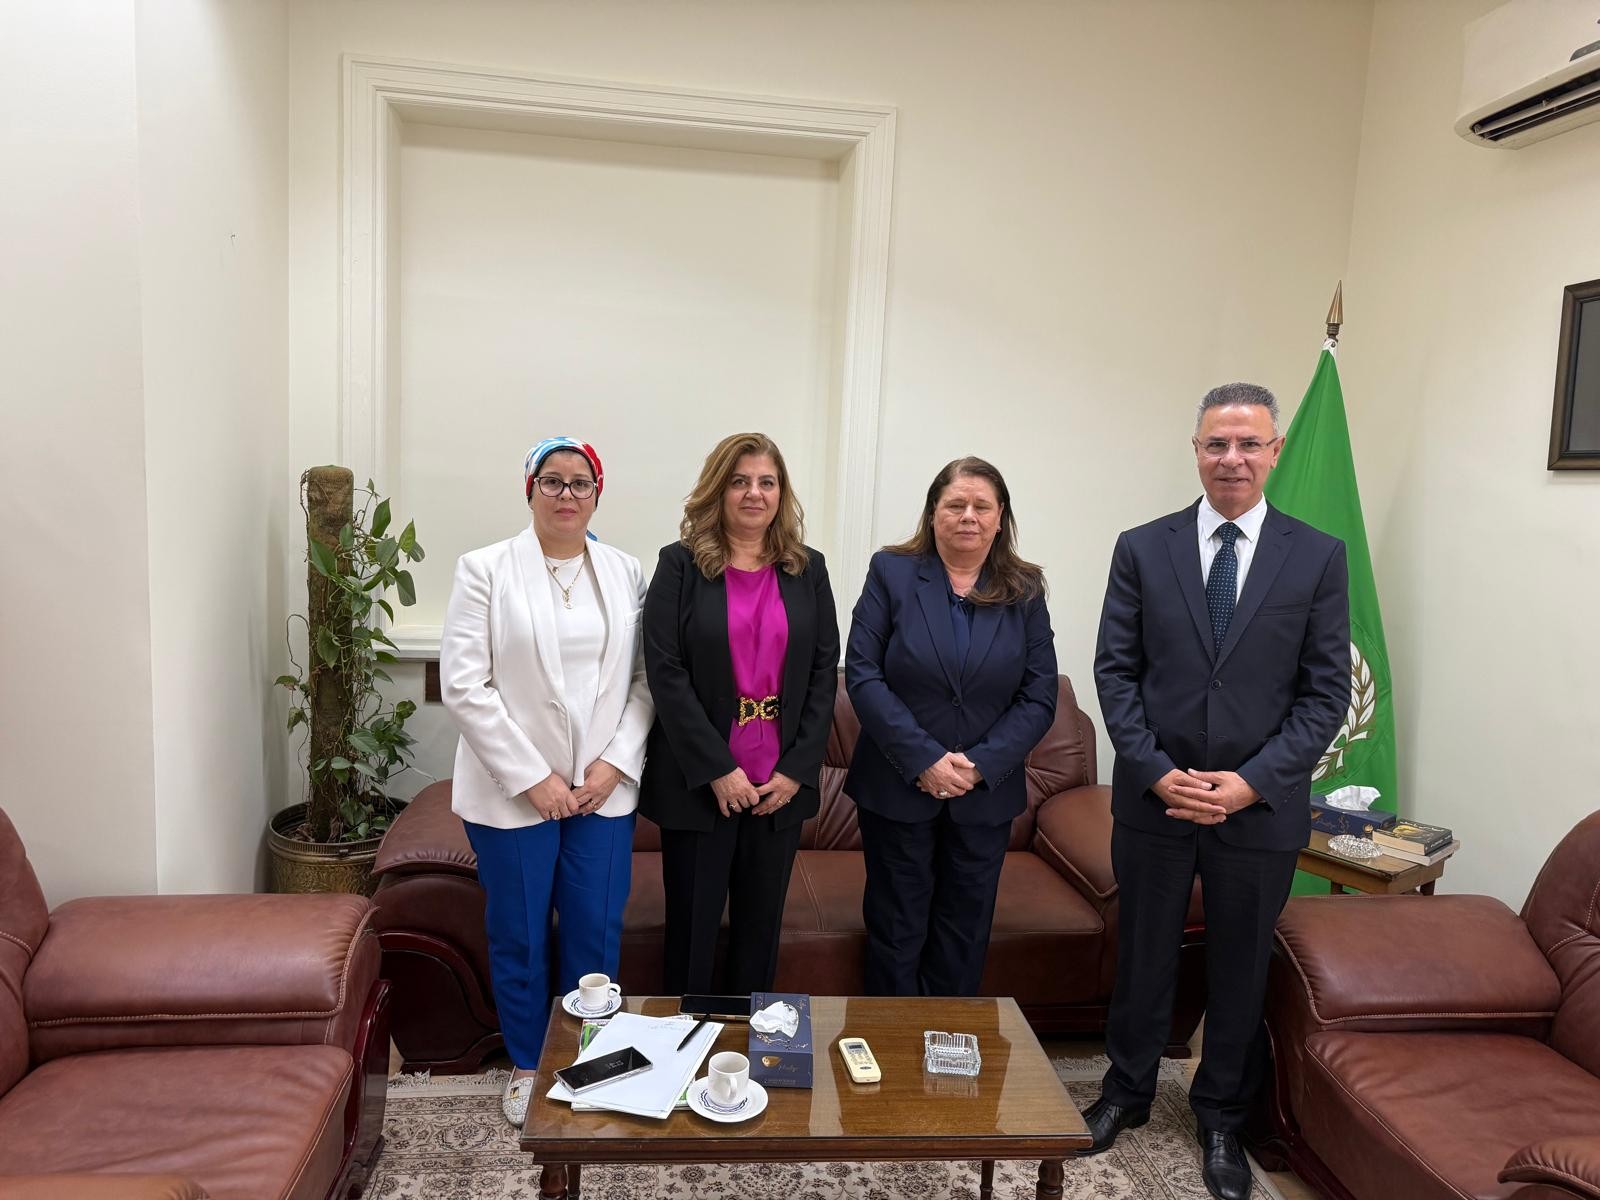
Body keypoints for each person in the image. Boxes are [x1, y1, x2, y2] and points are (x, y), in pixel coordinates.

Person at [1084, 383, 1349, 1200]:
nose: (1232, 459)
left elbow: (1325, 695)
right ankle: (1125, 1090)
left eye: (1248, 444)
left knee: (1239, 967)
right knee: (1143, 955)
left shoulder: (1318, 555)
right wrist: (1155, 768)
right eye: (1216, 444)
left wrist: (1250, 783)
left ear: (1274, 452)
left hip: (1258, 809)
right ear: (1196, 451)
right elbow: (1115, 673)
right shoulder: (1142, 547)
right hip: (1155, 798)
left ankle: (1223, 1117)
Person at [439, 437, 653, 1128]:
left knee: (595, 931)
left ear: (598, 493)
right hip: (513, 793)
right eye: (552, 481)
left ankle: (589, 1057)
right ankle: (530, 1064)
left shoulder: (625, 571)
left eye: (580, 483)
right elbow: (464, 685)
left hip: (601, 790)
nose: (567, 494)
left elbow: (645, 681)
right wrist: (534, 779)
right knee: (522, 935)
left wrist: (614, 764)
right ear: (529, 489)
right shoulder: (485, 569)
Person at [844, 456, 1058, 997]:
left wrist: (979, 765)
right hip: (897, 786)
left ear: (1000, 517)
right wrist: (924, 759)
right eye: (955, 504)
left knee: (964, 932)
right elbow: (863, 674)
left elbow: (1039, 696)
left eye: (982, 506)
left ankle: (947, 1043)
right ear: (933, 512)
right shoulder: (891, 572)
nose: (968, 516)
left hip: (984, 794)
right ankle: (890, 1045)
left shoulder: (1025, 588)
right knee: (896, 927)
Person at [640, 432, 839, 997]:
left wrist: (797, 769)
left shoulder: (809, 569)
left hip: (779, 786)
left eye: (766, 482)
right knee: (692, 937)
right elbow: (666, 672)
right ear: (718, 490)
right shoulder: (679, 565)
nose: (754, 493)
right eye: (740, 481)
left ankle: (749, 1045)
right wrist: (717, 769)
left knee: (759, 935)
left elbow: (824, 672)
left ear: (781, 493)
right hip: (700, 783)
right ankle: (685, 1042)